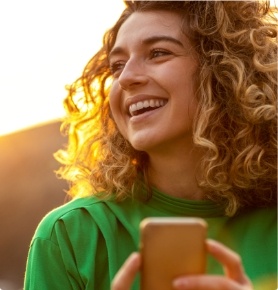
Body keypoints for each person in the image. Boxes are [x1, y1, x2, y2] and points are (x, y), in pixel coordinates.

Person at [24, 1, 277, 289]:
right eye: (117, 65)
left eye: (158, 53)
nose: (127, 78)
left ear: (225, 69)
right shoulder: (72, 235)